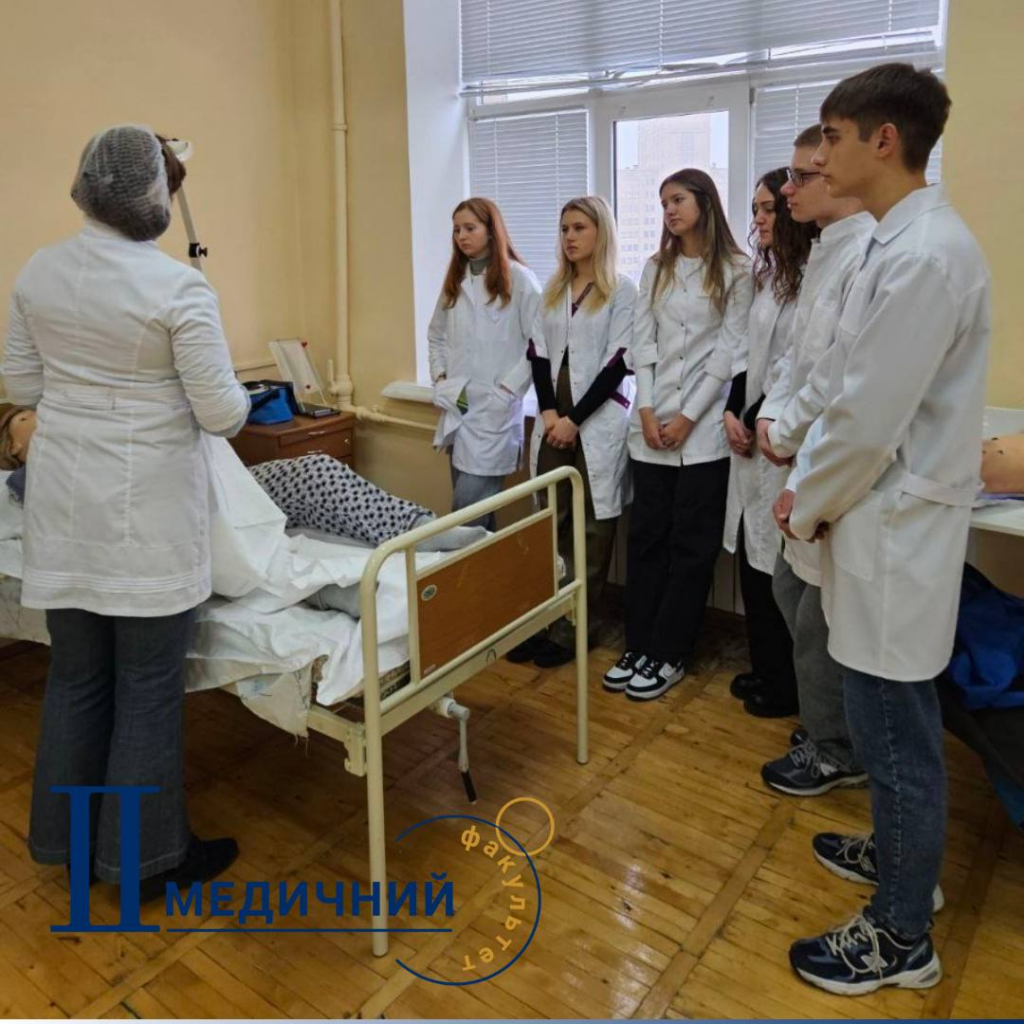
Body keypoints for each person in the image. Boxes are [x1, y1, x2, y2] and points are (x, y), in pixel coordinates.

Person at [780, 65, 991, 996]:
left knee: (896, 733)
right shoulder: (891, 244)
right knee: (882, 717)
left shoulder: (924, 258)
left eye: (830, 137)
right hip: (878, 521)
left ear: (883, 141)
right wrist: (814, 488)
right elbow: (843, 388)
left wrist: (805, 500)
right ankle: (902, 860)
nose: (817, 157)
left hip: (894, 528)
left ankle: (903, 935)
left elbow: (867, 421)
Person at [1, 125, 251, 902]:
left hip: (64, 507)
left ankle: (71, 848)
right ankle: (146, 862)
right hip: (145, 518)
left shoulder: (39, 270)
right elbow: (223, 415)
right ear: (154, 197)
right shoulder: (178, 287)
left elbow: (22, 384)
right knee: (146, 686)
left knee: (76, 679)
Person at [0, 405, 486, 615]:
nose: (39, 419)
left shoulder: (88, 428)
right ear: (13, 452)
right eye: (25, 424)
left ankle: (422, 528)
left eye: (35, 412)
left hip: (223, 482)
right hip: (177, 510)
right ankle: (323, 592)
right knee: (227, 542)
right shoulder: (34, 477)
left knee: (315, 468)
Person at [753, 125, 876, 787]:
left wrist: (784, 433)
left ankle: (836, 749)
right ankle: (829, 727)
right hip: (802, 452)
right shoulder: (824, 254)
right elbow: (794, 362)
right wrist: (772, 418)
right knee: (789, 590)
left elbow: (838, 377)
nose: (788, 190)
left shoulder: (866, 258)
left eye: (803, 177)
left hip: (832, 462)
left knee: (816, 616)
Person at [604, 169, 753, 701]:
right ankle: (639, 644)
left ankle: (669, 653)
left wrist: (688, 416)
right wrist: (646, 409)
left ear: (705, 203)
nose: (669, 210)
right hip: (651, 425)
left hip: (704, 432)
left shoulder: (737, 269)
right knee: (646, 541)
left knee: (691, 549)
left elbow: (729, 353)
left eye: (678, 199)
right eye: (664, 201)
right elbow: (642, 344)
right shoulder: (656, 268)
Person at [507, 196, 636, 668]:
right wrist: (548, 414)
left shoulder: (622, 290)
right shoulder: (554, 288)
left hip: (595, 418)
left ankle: (576, 626)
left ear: (602, 232)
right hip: (552, 416)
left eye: (580, 227)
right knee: (550, 521)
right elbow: (537, 353)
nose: (570, 237)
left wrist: (573, 420)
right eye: (564, 229)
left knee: (592, 527)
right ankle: (545, 619)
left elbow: (618, 363)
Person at [722, 169, 818, 719]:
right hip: (751, 433)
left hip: (781, 439)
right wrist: (733, 410)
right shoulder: (768, 275)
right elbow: (744, 353)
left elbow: (792, 366)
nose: (758, 218)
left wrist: (755, 417)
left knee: (778, 567)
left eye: (768, 208)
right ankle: (766, 669)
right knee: (751, 557)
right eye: (755, 208)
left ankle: (787, 685)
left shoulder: (810, 279)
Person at [428, 198, 542, 529]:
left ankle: (460, 564)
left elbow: (538, 345)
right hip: (459, 405)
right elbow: (436, 336)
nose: (461, 236)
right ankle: (483, 566)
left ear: (491, 231)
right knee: (477, 522)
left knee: (464, 516)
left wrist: (506, 391)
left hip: (495, 412)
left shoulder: (520, 279)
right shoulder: (456, 281)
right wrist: (441, 378)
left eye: (470, 228)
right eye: (456, 230)